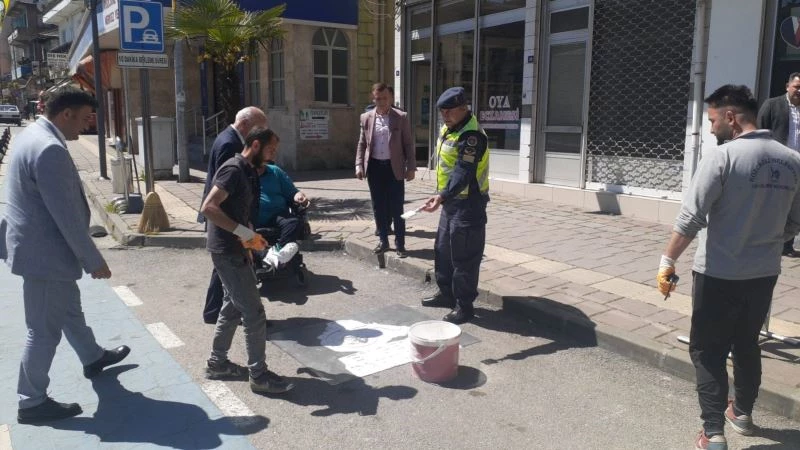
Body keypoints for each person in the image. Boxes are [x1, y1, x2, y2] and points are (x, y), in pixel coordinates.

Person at [657, 85, 800, 450]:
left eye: (712, 120)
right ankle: (743, 413)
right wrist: (767, 239)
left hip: (718, 273)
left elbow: (690, 218)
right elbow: (794, 221)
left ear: (731, 117)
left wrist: (667, 261)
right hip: (764, 273)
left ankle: (713, 432)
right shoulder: (792, 160)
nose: (710, 128)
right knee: (747, 343)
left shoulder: (721, 158)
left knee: (708, 350)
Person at [0, 87, 131, 424]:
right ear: (66, 114)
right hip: (45, 256)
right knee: (42, 331)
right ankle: (31, 401)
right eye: (85, 118)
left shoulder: (32, 135)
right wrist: (93, 260)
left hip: (37, 250)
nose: (87, 126)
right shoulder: (50, 149)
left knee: (70, 310)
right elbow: (67, 216)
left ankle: (92, 357)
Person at [200, 126, 294, 395]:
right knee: (254, 313)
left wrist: (252, 243)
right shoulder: (233, 169)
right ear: (255, 145)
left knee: (232, 306)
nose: (273, 155)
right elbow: (209, 207)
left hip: (237, 249)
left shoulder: (250, 171)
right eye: (270, 149)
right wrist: (243, 234)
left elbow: (241, 212)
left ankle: (217, 363)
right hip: (226, 250)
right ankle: (259, 376)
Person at [419, 87, 490, 325]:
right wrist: (442, 196)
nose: (445, 115)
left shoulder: (471, 136)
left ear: (464, 108)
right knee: (443, 251)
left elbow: (463, 171)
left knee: (465, 257)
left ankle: (464, 306)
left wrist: (442, 196)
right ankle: (446, 294)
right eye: (442, 111)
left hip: (469, 204)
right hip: (450, 201)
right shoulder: (450, 128)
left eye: (449, 111)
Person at [198, 106, 268, 324]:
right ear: (245, 124)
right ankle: (241, 314)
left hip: (231, 220)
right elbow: (225, 186)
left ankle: (215, 312)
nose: (261, 136)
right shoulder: (230, 144)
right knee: (231, 265)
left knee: (224, 268)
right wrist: (244, 231)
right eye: (259, 129)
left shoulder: (227, 138)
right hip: (228, 219)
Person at [355, 83, 415, 257]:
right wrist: (359, 165)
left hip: (394, 168)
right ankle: (383, 240)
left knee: (397, 207)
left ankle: (400, 244)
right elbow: (362, 143)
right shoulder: (366, 117)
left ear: (391, 98)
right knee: (378, 206)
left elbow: (408, 144)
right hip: (374, 168)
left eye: (385, 98)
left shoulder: (401, 117)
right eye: (378, 98)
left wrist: (411, 167)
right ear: (373, 98)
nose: (381, 102)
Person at [757, 72, 800, 257]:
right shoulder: (772, 105)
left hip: (798, 165)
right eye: (797, 86)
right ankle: (766, 241)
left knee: (794, 204)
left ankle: (786, 245)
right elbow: (760, 131)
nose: (799, 90)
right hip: (777, 164)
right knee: (773, 204)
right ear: (787, 86)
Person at [254, 132, 310, 268]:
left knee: (294, 222)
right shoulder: (242, 173)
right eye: (271, 149)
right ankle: (267, 256)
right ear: (257, 148)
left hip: (277, 215)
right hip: (252, 218)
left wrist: (299, 196)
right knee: (243, 236)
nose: (274, 153)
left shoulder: (275, 171)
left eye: (275, 150)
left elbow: (292, 192)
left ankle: (277, 252)